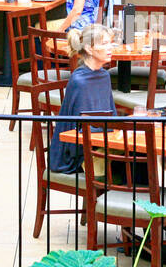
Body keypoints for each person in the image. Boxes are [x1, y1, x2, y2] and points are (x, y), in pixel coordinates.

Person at [49, 24, 117, 174]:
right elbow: (80, 130)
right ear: (89, 49)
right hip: (78, 154)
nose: (110, 48)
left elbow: (111, 118)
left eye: (110, 43)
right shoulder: (80, 82)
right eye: (105, 44)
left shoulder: (104, 76)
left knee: (140, 156)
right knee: (130, 165)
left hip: (100, 141)